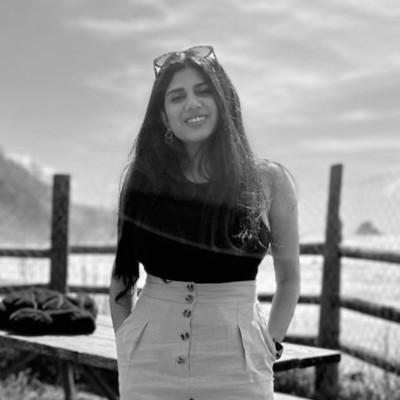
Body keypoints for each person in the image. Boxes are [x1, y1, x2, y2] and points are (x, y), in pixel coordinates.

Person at [109, 45, 300, 400]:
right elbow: (123, 276)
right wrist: (127, 347)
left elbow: (289, 278)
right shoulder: (142, 181)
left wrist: (268, 346)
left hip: (239, 367)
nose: (191, 104)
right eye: (176, 97)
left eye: (203, 91)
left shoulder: (269, 181)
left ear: (223, 99)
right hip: (149, 361)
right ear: (163, 116)